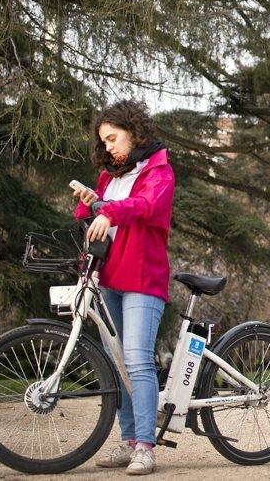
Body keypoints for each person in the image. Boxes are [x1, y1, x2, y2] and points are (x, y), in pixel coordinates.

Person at [72, 100, 175, 476]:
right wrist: (88, 205)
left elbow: (144, 207)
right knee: (117, 364)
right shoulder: (109, 176)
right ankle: (129, 440)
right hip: (110, 277)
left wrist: (108, 211)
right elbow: (96, 215)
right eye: (104, 141)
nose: (110, 147)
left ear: (133, 131)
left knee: (136, 359)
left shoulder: (159, 171)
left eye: (113, 138)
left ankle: (146, 447)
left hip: (143, 279)